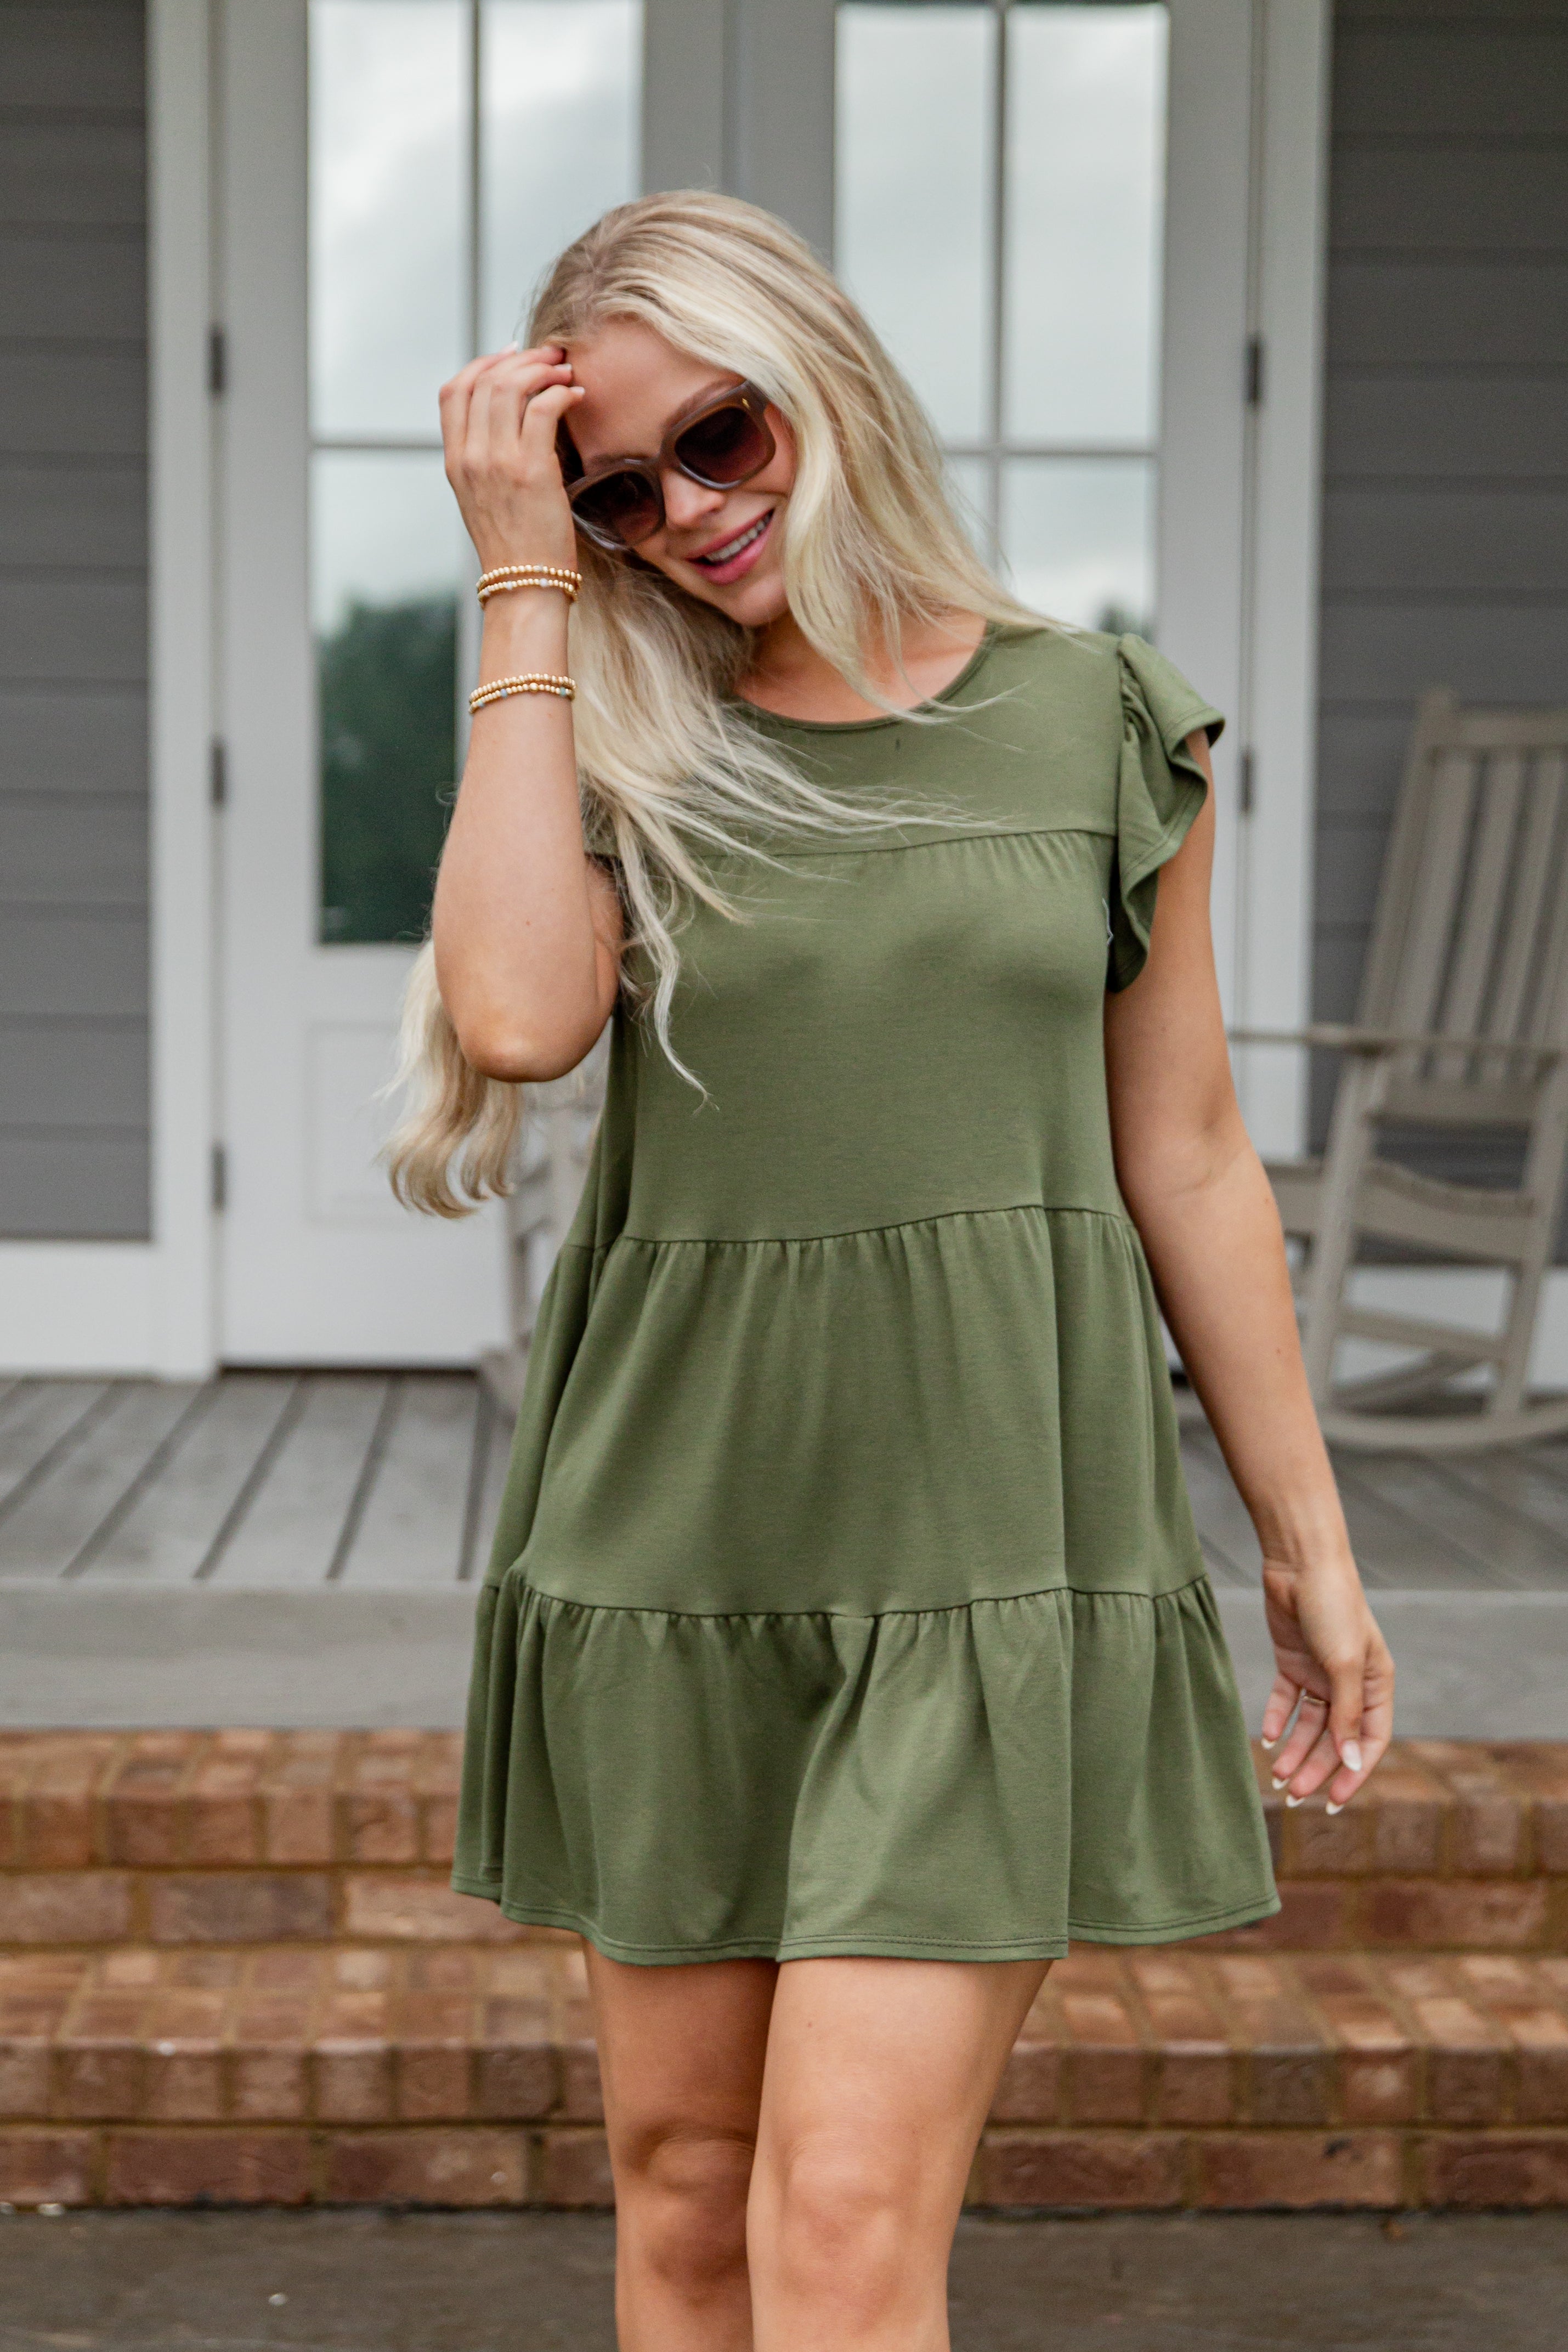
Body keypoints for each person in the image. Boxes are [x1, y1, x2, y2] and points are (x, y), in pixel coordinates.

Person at [389, 191, 1394, 2352]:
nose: (685, 512)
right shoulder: (622, 732)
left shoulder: (1096, 717)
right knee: (684, 2199)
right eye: (617, 490)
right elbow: (517, 1017)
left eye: (720, 437)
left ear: (825, 383)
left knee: (840, 2223)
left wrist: (1304, 1544)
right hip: (677, 1543)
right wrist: (522, 581)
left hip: (986, 1546)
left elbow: (1189, 1153)